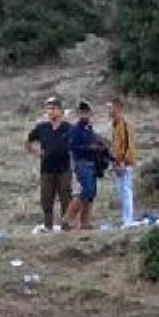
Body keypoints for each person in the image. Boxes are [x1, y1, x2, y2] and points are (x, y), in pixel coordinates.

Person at [25, 97, 72, 232]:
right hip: (46, 168)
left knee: (65, 197)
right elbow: (28, 141)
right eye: (48, 109)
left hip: (64, 168)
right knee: (46, 198)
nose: (50, 112)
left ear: (61, 111)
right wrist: (36, 152)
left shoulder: (68, 128)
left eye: (53, 109)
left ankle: (66, 225)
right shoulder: (42, 128)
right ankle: (48, 225)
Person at [66, 101, 108, 231]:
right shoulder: (75, 130)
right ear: (78, 114)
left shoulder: (90, 130)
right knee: (87, 190)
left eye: (86, 112)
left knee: (91, 193)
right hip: (82, 163)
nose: (84, 115)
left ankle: (85, 223)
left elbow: (99, 146)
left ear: (90, 113)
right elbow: (72, 147)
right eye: (82, 112)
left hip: (93, 164)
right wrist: (89, 147)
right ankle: (68, 219)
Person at [107, 99, 139, 227]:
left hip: (125, 163)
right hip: (119, 162)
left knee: (126, 190)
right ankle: (126, 219)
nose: (108, 111)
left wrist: (122, 162)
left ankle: (128, 220)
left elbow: (127, 145)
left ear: (118, 108)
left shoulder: (124, 124)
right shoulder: (115, 125)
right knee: (122, 191)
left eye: (110, 108)